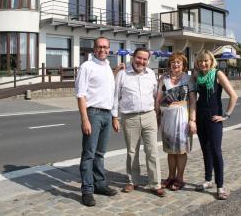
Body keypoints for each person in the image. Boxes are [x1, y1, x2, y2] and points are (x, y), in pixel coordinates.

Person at [112, 47, 166, 197]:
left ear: (148, 61)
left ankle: (155, 183)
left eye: (144, 59)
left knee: (152, 151)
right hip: (130, 117)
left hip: (149, 115)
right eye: (139, 58)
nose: (141, 61)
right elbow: (115, 96)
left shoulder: (151, 74)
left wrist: (157, 114)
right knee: (132, 151)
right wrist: (114, 117)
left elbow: (156, 96)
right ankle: (133, 181)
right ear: (133, 57)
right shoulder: (122, 74)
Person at [75, 37, 118, 207]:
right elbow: (80, 94)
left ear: (109, 49)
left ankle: (99, 184)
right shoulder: (87, 66)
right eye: (99, 47)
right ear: (94, 48)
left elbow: (107, 90)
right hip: (93, 114)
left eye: (105, 47)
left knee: (100, 154)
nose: (102, 50)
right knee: (89, 155)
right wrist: (85, 119)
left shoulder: (107, 66)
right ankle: (87, 190)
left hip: (107, 114)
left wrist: (114, 116)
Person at [192, 49, 238, 200]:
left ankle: (220, 186)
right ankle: (208, 180)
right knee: (205, 149)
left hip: (214, 118)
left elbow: (234, 96)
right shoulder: (197, 76)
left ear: (211, 61)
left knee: (216, 151)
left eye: (206, 60)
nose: (203, 63)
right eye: (200, 61)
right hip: (200, 116)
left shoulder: (218, 74)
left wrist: (226, 115)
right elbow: (192, 97)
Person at [156, 52, 197, 191]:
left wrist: (192, 119)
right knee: (170, 151)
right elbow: (158, 99)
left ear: (183, 65)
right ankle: (170, 176)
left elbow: (192, 101)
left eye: (178, 62)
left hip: (182, 117)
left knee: (181, 151)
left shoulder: (188, 79)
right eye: (173, 61)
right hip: (167, 117)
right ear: (170, 64)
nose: (175, 64)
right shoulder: (163, 78)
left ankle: (180, 178)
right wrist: (157, 118)